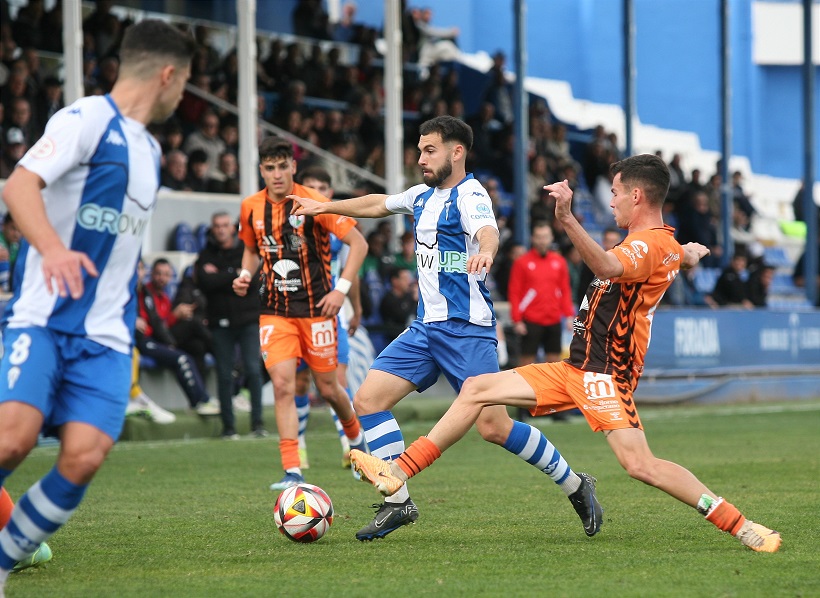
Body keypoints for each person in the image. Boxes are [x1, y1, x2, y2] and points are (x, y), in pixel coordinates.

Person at [350, 154, 781, 554]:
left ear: (636, 196)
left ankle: (740, 524)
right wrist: (691, 253)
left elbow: (610, 268)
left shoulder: (649, 244)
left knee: (640, 465)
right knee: (478, 390)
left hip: (604, 376)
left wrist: (568, 219)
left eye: (614, 194)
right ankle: (398, 473)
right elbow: (676, 255)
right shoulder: (660, 244)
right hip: (574, 367)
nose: (610, 202)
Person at [291, 115, 601, 542]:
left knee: (494, 428)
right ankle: (398, 502)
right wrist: (324, 206)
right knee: (368, 399)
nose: (420, 158)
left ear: (457, 152)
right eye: (419, 150)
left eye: (429, 150)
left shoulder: (470, 195)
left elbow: (487, 230)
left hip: (466, 330)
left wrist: (487, 251)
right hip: (424, 328)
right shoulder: (421, 195)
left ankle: (575, 484)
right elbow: (378, 203)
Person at [0, 20, 195, 591]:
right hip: (45, 318)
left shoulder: (152, 152)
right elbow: (18, 185)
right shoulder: (84, 119)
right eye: (183, 83)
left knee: (83, 457)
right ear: (167, 75)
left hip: (107, 338)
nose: (182, 95)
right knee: (12, 438)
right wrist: (55, 250)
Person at [232, 136, 368, 491]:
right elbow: (251, 249)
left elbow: (359, 244)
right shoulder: (250, 207)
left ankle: (356, 442)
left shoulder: (314, 202)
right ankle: (292, 469)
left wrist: (341, 290)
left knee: (330, 389)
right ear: (261, 169)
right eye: (269, 168)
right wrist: (246, 274)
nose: (276, 174)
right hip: (275, 312)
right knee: (282, 385)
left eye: (282, 166)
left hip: (317, 310)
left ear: (293, 166)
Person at [293, 166, 364, 471]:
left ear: (330, 193)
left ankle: (350, 448)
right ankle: (299, 447)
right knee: (299, 383)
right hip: (294, 314)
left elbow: (352, 270)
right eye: (310, 187)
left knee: (338, 381)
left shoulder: (335, 224)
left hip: (329, 314)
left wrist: (356, 308)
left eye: (322, 187)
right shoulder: (286, 224)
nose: (317, 192)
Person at [195, 212, 266, 439]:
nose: (221, 229)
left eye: (225, 225)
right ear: (212, 229)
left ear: (232, 228)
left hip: (248, 321)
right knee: (224, 375)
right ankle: (229, 427)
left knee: (254, 371)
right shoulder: (205, 254)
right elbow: (205, 283)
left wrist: (222, 277)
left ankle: (258, 424)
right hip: (220, 323)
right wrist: (234, 275)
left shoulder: (247, 251)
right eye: (217, 226)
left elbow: (253, 281)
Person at [136, 258, 220, 415]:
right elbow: (158, 326)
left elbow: (163, 325)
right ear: (151, 274)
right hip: (146, 341)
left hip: (158, 340)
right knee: (182, 357)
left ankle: (204, 399)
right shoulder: (144, 294)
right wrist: (173, 323)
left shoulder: (165, 297)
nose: (162, 278)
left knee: (197, 347)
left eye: (166, 274)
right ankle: (200, 400)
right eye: (158, 274)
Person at [508, 221, 575, 366]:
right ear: (532, 238)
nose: (542, 241)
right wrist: (517, 319)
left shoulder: (559, 262)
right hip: (530, 320)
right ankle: (524, 389)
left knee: (554, 363)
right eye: (538, 237)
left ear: (551, 238)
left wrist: (569, 315)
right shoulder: (522, 263)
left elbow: (565, 290)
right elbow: (514, 292)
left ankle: (551, 390)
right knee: (526, 364)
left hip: (554, 319)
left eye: (545, 237)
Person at [379, 267, 417, 342]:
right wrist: (414, 301)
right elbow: (402, 318)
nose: (408, 282)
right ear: (395, 281)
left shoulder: (408, 296)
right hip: (393, 339)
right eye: (404, 279)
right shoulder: (388, 299)